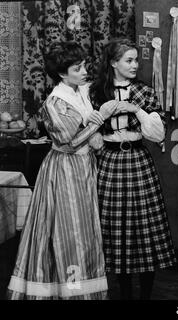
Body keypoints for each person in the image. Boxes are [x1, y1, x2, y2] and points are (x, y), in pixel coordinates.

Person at [7, 41, 117, 299]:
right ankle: (72, 292)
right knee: (69, 231)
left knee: (84, 230)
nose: (83, 71)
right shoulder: (55, 102)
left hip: (83, 168)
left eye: (83, 66)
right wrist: (100, 118)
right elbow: (70, 141)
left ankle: (81, 291)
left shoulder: (79, 92)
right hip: (66, 170)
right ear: (62, 74)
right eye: (77, 68)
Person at [89, 38, 177, 300]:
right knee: (116, 232)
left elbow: (158, 133)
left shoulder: (145, 92)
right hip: (109, 163)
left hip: (138, 162)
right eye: (128, 60)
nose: (134, 65)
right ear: (113, 63)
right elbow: (91, 138)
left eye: (136, 60)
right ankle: (125, 293)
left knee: (144, 231)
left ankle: (145, 296)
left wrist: (135, 109)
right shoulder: (96, 92)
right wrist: (99, 118)